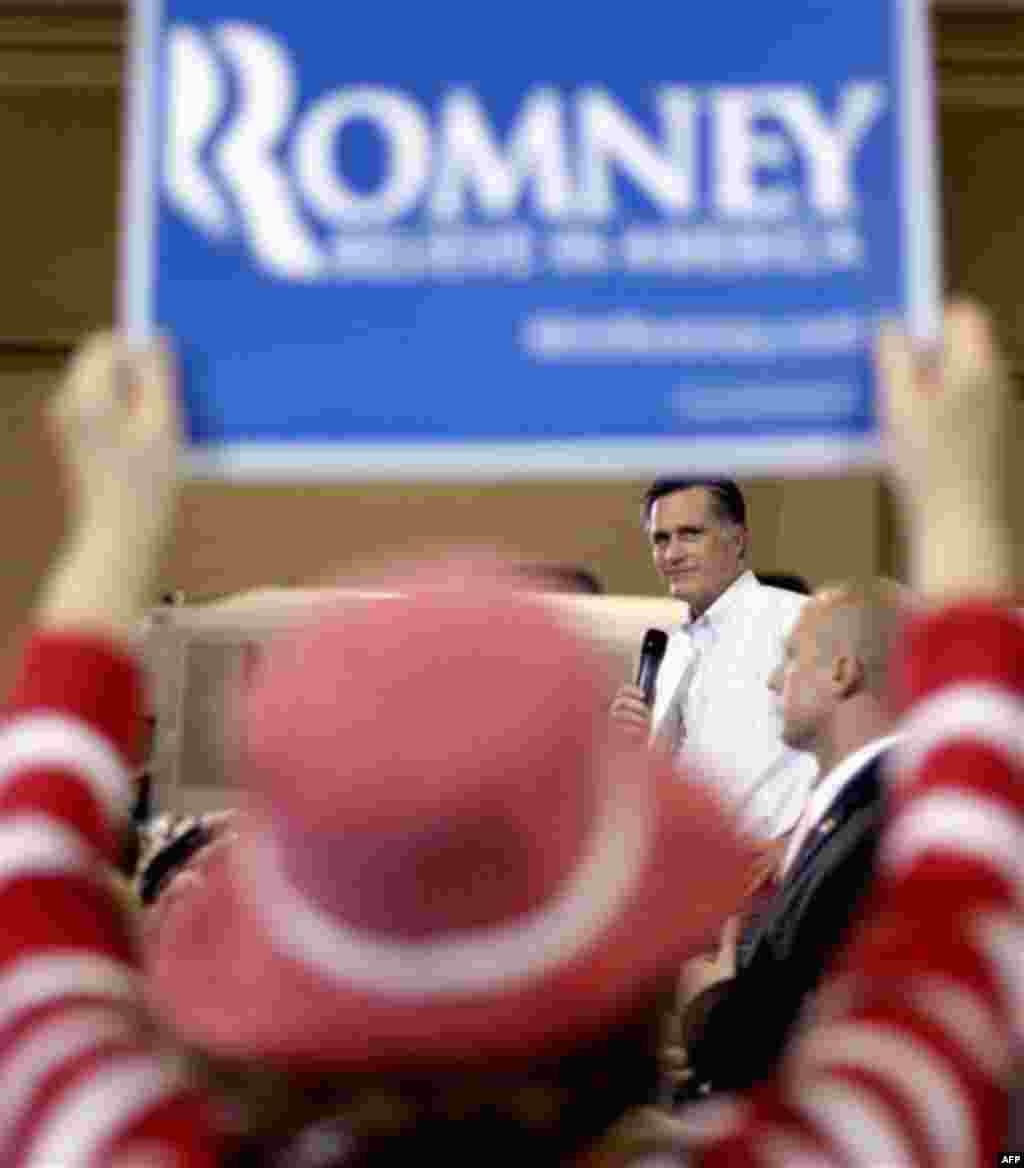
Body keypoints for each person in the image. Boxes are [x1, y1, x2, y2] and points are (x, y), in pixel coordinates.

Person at [0, 300, 1020, 1168]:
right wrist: (956, 493)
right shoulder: (848, 1139)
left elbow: (27, 878)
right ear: (634, 961)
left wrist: (112, 522)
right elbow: (972, 890)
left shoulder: (100, 1134)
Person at [678, 577, 906, 1097]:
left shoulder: (881, 829)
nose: (775, 680)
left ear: (842, 672)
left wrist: (707, 1007)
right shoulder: (859, 810)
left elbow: (798, 1049)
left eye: (791, 655)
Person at [610, 478, 817, 845]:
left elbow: (856, 742)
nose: (672, 554)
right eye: (661, 539)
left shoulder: (798, 619)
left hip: (775, 874)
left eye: (690, 534)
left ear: (738, 540)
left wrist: (795, 846)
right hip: (690, 872)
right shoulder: (670, 652)